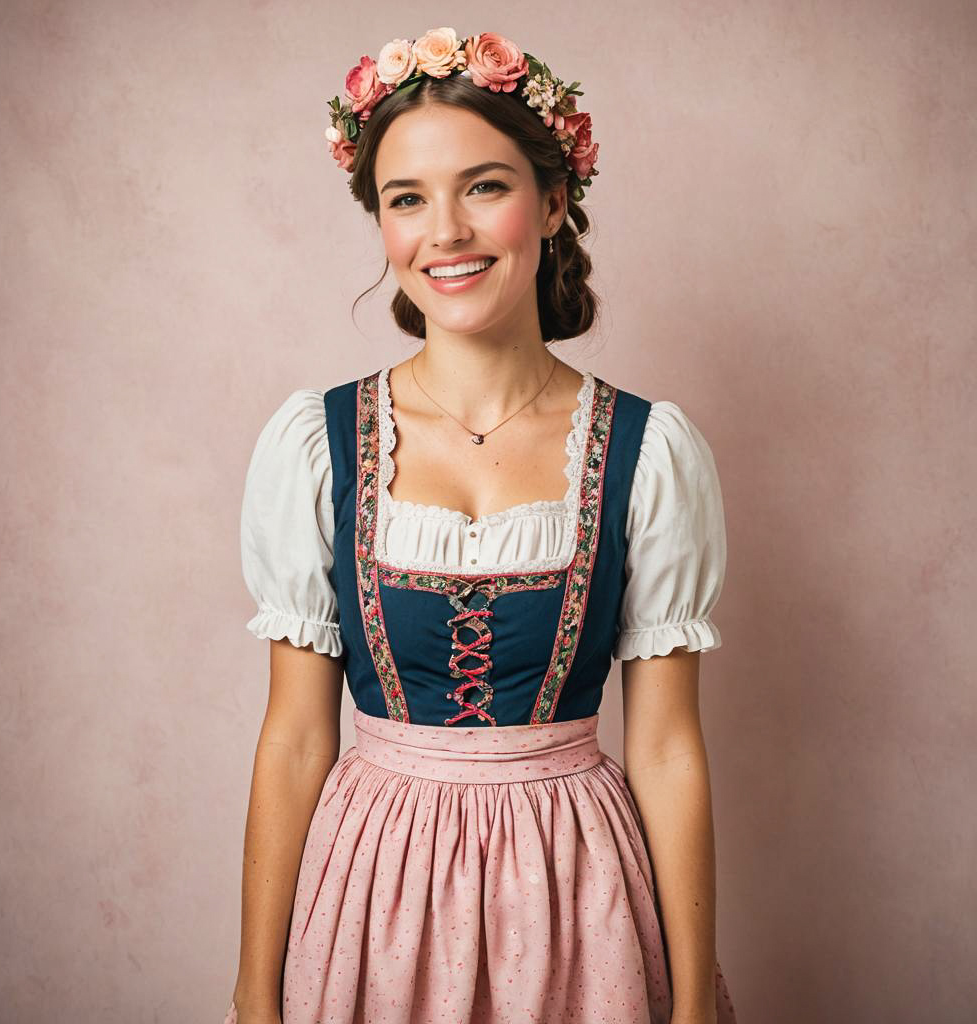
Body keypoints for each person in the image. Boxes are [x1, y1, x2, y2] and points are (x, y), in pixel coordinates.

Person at [225, 27, 737, 1024]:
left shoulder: (648, 450)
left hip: (577, 889)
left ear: (553, 200)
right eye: (406, 199)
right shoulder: (318, 443)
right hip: (371, 895)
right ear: (378, 221)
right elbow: (293, 736)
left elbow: (669, 747)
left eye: (484, 186)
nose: (444, 232)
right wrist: (254, 994)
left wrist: (686, 1006)